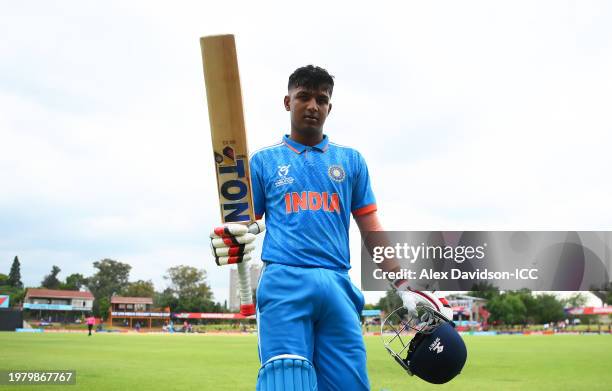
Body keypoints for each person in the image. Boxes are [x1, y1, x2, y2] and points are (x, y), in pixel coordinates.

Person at [210, 66, 465, 390]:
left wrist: (403, 283)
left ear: (330, 107)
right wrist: (236, 237)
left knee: (351, 385)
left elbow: (370, 227)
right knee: (287, 380)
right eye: (304, 97)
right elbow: (246, 223)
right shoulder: (264, 162)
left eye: (322, 99)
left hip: (338, 285)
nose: (313, 105)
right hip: (284, 282)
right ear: (287, 102)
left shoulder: (351, 161)